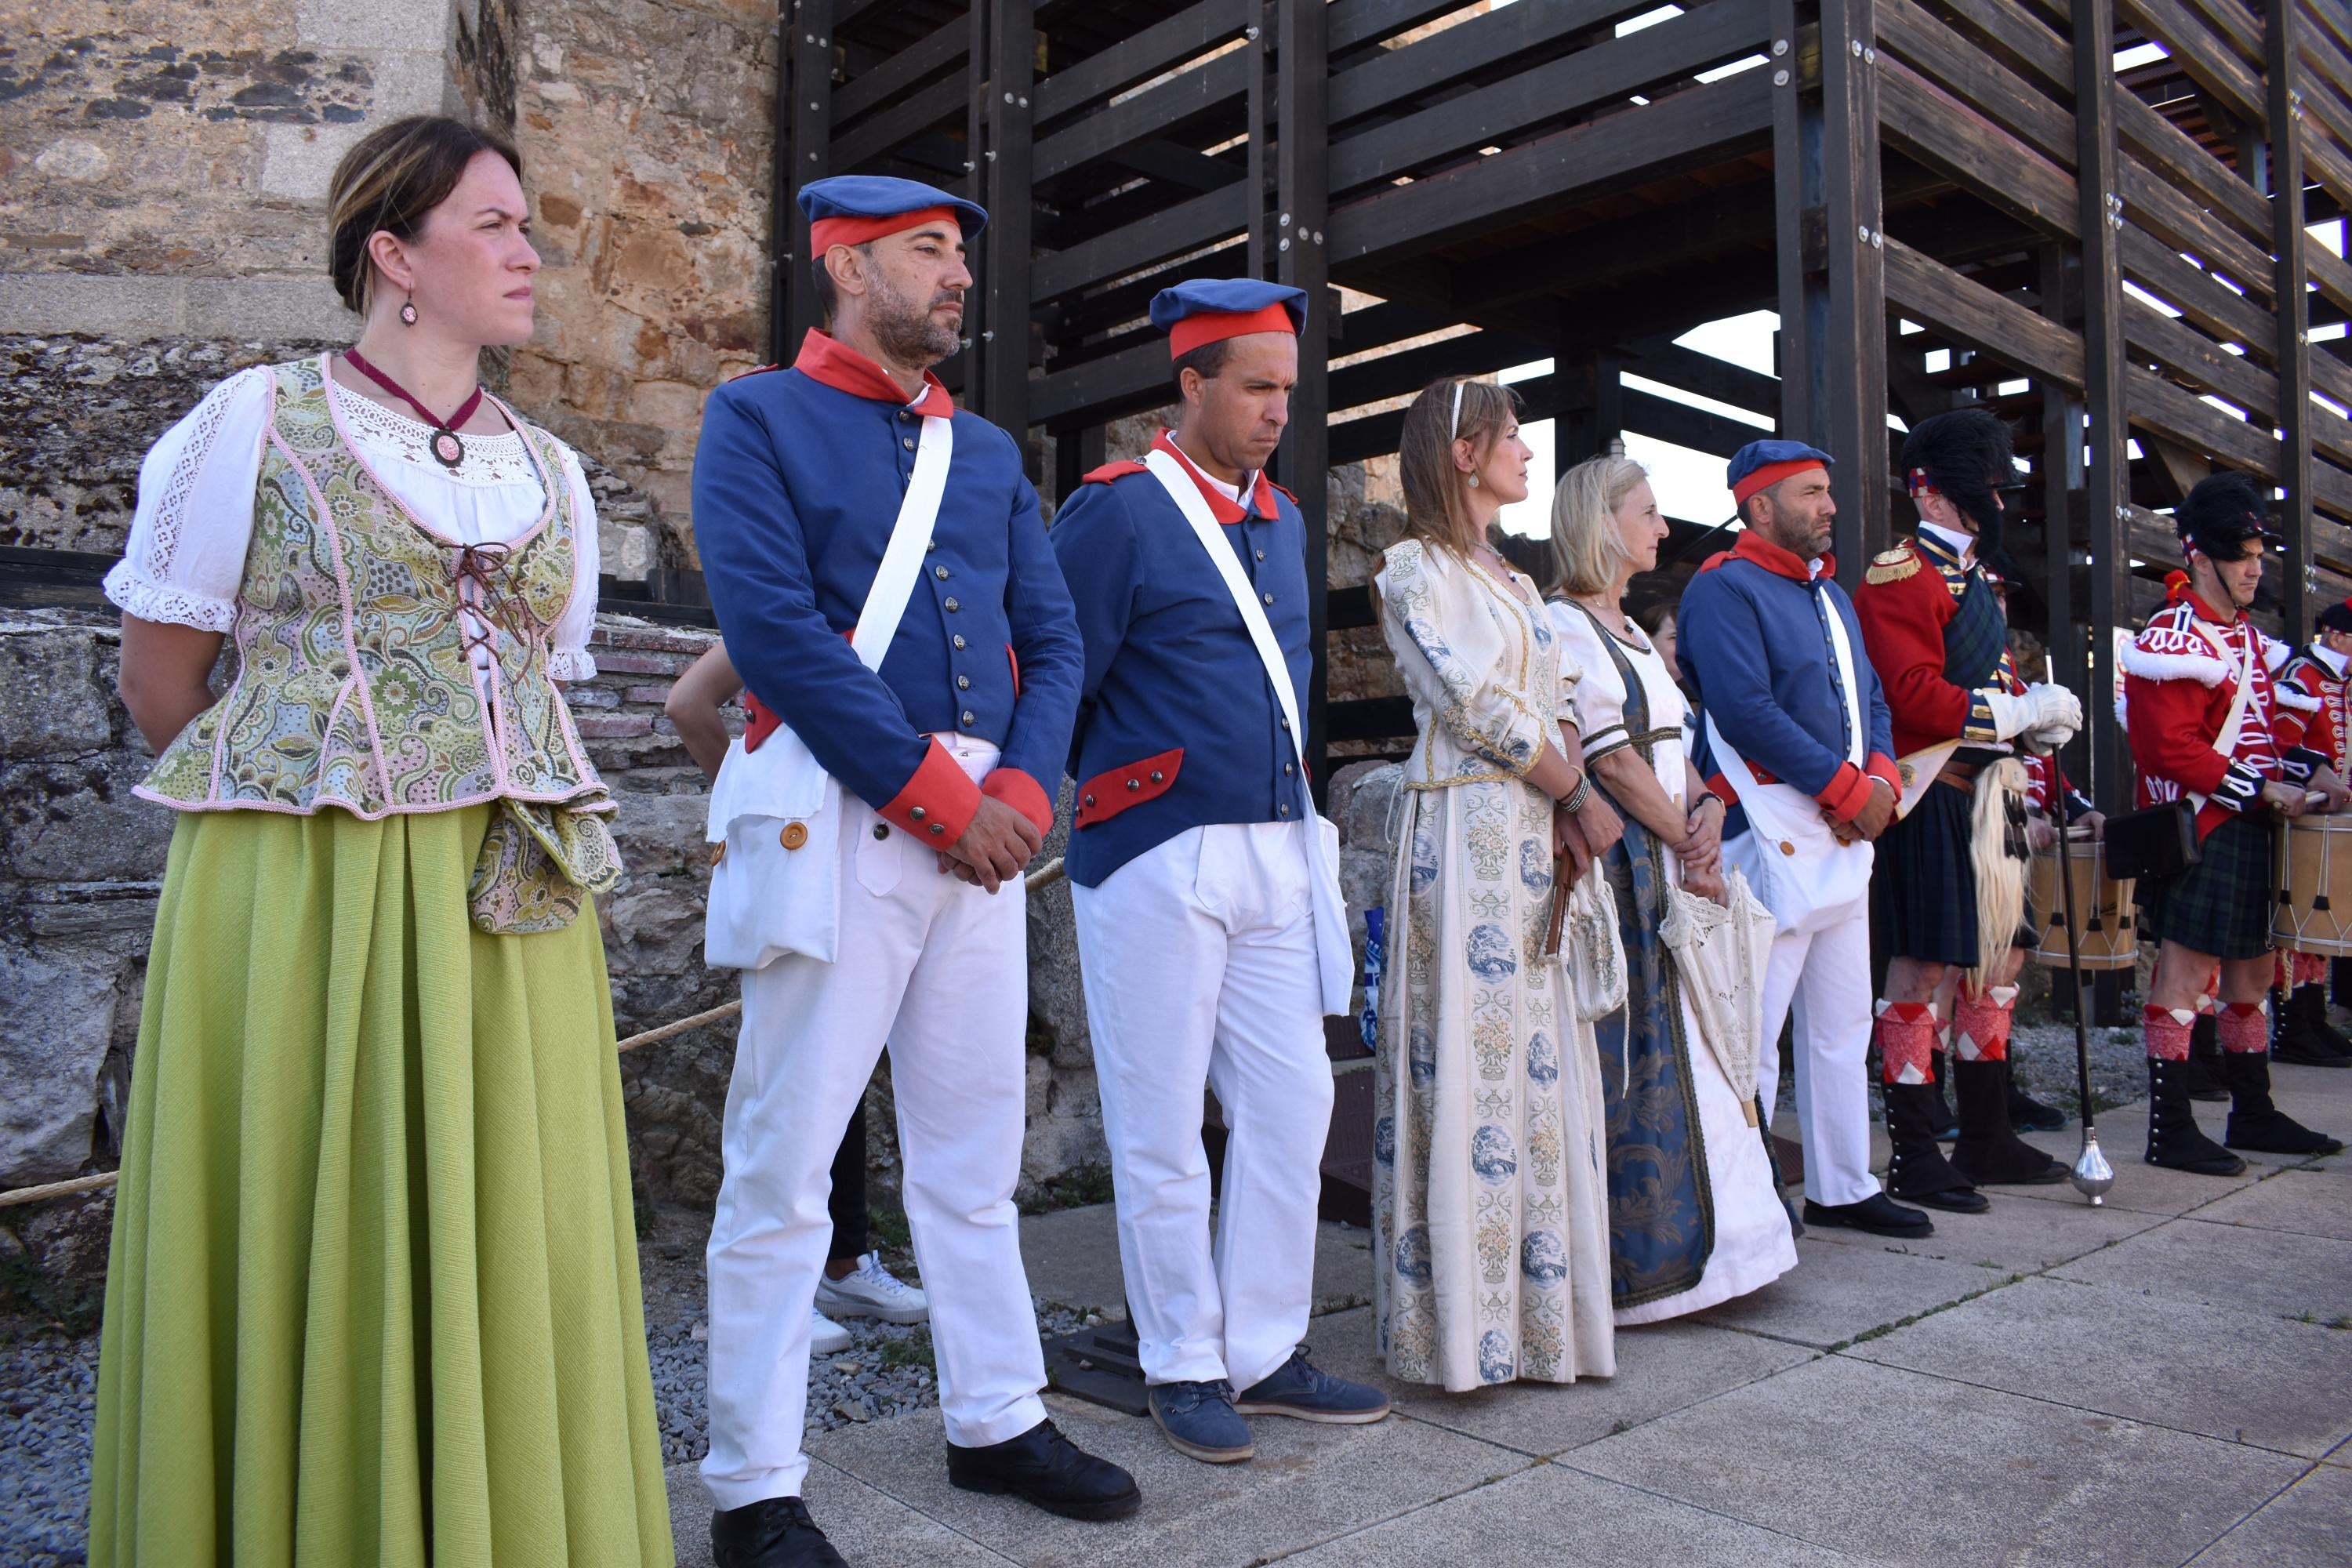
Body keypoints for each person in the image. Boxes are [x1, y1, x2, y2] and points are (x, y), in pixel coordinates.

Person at [89, 114, 671, 1565]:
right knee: (310, 1215)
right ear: (394, 255)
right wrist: (299, 804)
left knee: (511, 1230)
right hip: (307, 888)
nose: (531, 252)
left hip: (511, 905)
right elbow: (162, 678)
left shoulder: (553, 472)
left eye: (528, 226)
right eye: (496, 225)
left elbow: (535, 676)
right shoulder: (254, 422)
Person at [688, 175, 1134, 1568]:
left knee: (970, 1152)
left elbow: (1052, 643)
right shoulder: (753, 417)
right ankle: (755, 1483)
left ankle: (995, 1415)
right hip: (841, 807)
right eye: (929, 252)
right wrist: (942, 794)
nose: (957, 277)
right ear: (845, 262)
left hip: (980, 826)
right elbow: (771, 630)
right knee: (782, 1167)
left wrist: (1016, 786)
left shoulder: (987, 453)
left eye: (959, 255)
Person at [1046, 279, 1389, 1462]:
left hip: (1277, 846)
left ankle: (1264, 1348)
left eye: (1287, 391)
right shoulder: (1114, 513)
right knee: (1157, 1124)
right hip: (1154, 846)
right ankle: (1180, 1362)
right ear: (1188, 384)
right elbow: (1059, 674)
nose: (1274, 411)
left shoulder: (1283, 520)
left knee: (1294, 1102)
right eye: (1253, 387)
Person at [1370, 378, 1621, 1392]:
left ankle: (1539, 1325)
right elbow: (1470, 700)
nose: (1527, 451)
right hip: (1466, 839)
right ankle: (1459, 1336)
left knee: (1541, 1069)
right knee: (1469, 1066)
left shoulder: (1516, 584)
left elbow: (1557, 689)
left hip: (1533, 837)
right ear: (1463, 453)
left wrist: (1568, 799)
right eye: (1511, 436)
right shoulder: (1412, 573)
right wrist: (1577, 791)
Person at [1545, 455, 1798, 1323]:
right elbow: (1610, 758)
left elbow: (1672, 745)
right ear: (1601, 521)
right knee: (1648, 1055)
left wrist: (1706, 818)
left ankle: (1733, 1253)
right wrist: (1680, 837)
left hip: (1668, 851)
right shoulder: (1568, 624)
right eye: (1647, 512)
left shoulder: (1626, 629)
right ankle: (1651, 1278)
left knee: (1704, 1043)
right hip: (1625, 873)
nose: (1662, 527)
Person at [1680, 441, 1932, 1239]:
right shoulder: (1722, 589)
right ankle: (1746, 1204)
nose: (1830, 506)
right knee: (1753, 1036)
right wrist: (1852, 792)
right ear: (1761, 505)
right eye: (1813, 493)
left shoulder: (1832, 596)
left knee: (1842, 1023)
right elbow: (1745, 710)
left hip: (1843, 835)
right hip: (1772, 834)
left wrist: (1882, 782)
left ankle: (1842, 1184)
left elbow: (1873, 700)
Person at [666, 646, 934, 1356]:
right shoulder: (785, 599)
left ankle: (843, 1263)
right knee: (787, 1085)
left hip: (897, 856)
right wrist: (756, 802)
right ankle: (762, 1300)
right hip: (809, 864)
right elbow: (688, 703)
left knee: (841, 1078)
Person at [1854, 409, 2082, 1210]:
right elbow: (1913, 696)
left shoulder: (1974, 578)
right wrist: (2013, 717)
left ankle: (1987, 1132)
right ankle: (1916, 1151)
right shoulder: (1900, 575)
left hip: (1995, 795)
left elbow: (1989, 679)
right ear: (1928, 491)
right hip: (1937, 794)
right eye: (1978, 490)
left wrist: (2036, 723)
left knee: (2000, 965)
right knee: (1921, 971)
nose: (1993, 503)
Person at [2121, 471, 2347, 1171]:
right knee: (2184, 978)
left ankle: (2252, 1111)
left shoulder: (2244, 637)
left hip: (2246, 823)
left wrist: (2311, 770)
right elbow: (2166, 747)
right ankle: (2171, 1130)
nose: (2256, 567)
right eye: (2243, 554)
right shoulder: (2174, 634)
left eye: (2258, 553)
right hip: (2203, 826)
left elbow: (2259, 731)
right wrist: (2260, 792)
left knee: (2252, 978)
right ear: (2200, 554)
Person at [2266, 599, 2352, 1066]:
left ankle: (2313, 1021)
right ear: (2336, 637)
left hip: (2329, 821)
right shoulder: (2302, 676)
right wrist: (2320, 776)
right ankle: (2292, 1028)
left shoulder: (2339, 681)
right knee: (2298, 929)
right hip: (2302, 819)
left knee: (2321, 925)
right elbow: (2282, 744)